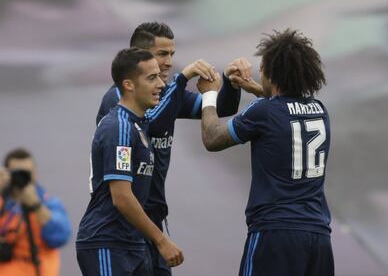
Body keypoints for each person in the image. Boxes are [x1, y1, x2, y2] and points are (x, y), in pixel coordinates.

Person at [96, 22, 246, 275]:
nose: (168, 62)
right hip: (121, 224)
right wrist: (183, 78)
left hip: (153, 221)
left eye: (172, 55)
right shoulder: (119, 99)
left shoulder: (164, 95)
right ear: (140, 58)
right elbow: (151, 124)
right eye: (162, 54)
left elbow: (221, 107)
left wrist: (231, 84)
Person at [197, 29, 334, 276]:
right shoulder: (319, 110)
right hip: (318, 237)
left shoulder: (263, 112)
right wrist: (256, 89)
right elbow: (284, 109)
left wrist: (208, 94)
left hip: (275, 235)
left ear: (272, 72)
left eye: (263, 69)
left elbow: (212, 138)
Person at [76, 48, 184, 276]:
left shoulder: (139, 125)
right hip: (107, 242)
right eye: (151, 78)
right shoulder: (120, 127)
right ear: (129, 85)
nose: (161, 85)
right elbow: (122, 197)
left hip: (132, 243)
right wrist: (161, 241)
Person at [0, 148, 71, 276]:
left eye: (27, 173)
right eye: (16, 173)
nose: (21, 178)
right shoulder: (3, 203)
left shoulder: (49, 203)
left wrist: (36, 205)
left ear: (35, 173)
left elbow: (61, 236)